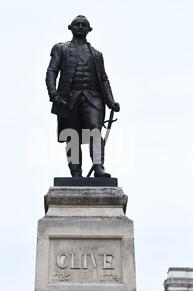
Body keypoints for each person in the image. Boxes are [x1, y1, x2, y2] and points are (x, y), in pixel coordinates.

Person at [45, 15, 120, 178]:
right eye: (76, 24)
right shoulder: (61, 49)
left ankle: (98, 167)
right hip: (68, 99)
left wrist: (110, 100)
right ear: (70, 28)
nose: (80, 27)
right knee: (72, 135)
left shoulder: (97, 54)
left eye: (83, 25)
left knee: (95, 130)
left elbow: (104, 79)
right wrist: (53, 94)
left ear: (89, 29)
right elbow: (52, 71)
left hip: (93, 99)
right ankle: (76, 172)